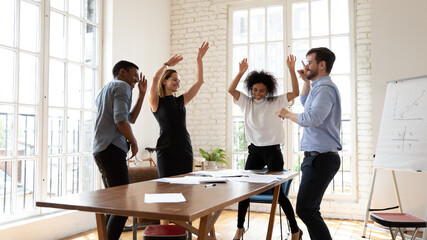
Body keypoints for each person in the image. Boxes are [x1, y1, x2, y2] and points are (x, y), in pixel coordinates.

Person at [229, 55, 302, 240]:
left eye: (262, 90)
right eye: (255, 89)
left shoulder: (275, 101)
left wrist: (291, 70)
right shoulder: (246, 102)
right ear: (250, 89)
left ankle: (295, 230)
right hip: (254, 151)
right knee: (244, 192)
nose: (258, 93)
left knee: (279, 194)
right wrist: (240, 72)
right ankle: (239, 228)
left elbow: (295, 92)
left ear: (268, 90)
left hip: (272, 151)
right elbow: (231, 89)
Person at [277, 47, 341, 240]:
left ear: (322, 65)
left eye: (310, 62)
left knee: (306, 209)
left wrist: (287, 114)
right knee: (308, 209)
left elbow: (312, 117)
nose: (306, 65)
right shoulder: (319, 87)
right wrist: (305, 81)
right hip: (316, 159)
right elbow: (305, 102)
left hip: (321, 159)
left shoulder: (326, 89)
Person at [93, 60, 147, 240]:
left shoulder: (105, 89)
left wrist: (141, 94)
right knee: (123, 206)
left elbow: (130, 118)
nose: (135, 82)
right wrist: (134, 141)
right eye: (134, 77)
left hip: (101, 150)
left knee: (115, 204)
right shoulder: (122, 87)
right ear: (122, 72)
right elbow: (121, 122)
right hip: (112, 149)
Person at [148, 42, 209, 178]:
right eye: (174, 79)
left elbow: (199, 82)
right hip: (165, 151)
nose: (178, 83)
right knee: (165, 188)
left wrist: (199, 60)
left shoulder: (181, 100)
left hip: (184, 149)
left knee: (185, 188)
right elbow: (154, 78)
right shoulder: (156, 101)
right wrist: (166, 65)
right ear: (165, 81)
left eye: (179, 81)